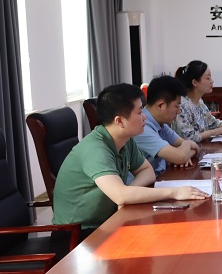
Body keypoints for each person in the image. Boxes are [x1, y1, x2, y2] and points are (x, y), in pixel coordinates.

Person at [53, 83, 208, 231]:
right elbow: (120, 195)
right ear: (119, 121)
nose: (145, 117)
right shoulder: (95, 148)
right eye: (139, 113)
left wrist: (129, 192)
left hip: (109, 221)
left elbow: (147, 171)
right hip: (77, 234)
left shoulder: (125, 140)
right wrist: (174, 192)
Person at [133, 75, 200, 176]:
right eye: (176, 106)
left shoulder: (161, 124)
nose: (179, 111)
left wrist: (184, 153)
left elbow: (193, 148)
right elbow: (181, 156)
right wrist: (185, 148)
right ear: (161, 105)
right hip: (147, 182)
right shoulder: (142, 127)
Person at [173, 60, 222, 143]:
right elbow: (189, 138)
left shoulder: (199, 102)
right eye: (208, 78)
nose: (212, 81)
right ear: (195, 82)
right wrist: (213, 132)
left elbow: (213, 123)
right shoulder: (182, 106)